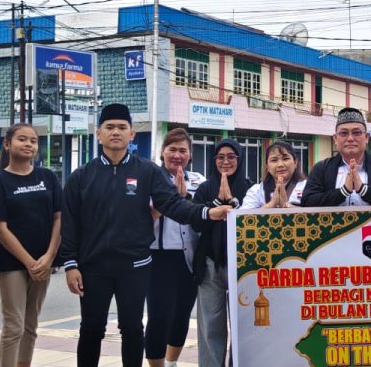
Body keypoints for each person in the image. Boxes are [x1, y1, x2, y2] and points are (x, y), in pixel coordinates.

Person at [60, 103, 231, 367]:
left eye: (122, 127)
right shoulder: (81, 176)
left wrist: (208, 213)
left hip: (135, 265)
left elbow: (172, 204)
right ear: (98, 134)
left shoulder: (146, 171)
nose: (115, 132)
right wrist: (71, 264)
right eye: (109, 127)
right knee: (91, 328)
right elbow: (70, 223)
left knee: (132, 328)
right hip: (93, 267)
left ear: (131, 134)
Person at [0, 123, 62, 367]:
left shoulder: (47, 177)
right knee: (14, 326)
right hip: (11, 263)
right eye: (22, 139)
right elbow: (0, 228)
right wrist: (29, 262)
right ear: (7, 144)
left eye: (33, 140)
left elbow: (59, 217)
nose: (28, 144)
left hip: (44, 261)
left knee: (31, 326)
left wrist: (49, 257)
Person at [146, 128, 206, 367]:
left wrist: (186, 199)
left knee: (182, 314)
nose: (177, 155)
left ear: (190, 154)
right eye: (172, 149)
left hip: (189, 256)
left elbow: (204, 213)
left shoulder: (198, 180)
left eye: (183, 150)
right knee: (159, 316)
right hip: (159, 256)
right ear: (163, 152)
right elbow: (141, 218)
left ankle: (172, 363)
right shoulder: (150, 178)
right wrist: (171, 200)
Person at [192, 138, 253, 366]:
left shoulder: (250, 189)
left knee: (243, 325)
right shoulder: (204, 188)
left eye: (231, 157)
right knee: (210, 326)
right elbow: (195, 222)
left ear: (240, 159)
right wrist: (217, 202)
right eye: (220, 157)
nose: (225, 162)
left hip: (242, 266)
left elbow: (252, 222)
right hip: (210, 264)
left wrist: (233, 203)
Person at [302, 107, 371, 207]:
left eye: (356, 133)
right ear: (335, 139)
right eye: (344, 133)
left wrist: (364, 190)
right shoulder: (321, 169)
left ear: (366, 137)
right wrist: (343, 191)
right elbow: (307, 201)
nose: (350, 138)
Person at [242, 141, 308, 209]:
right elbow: (243, 215)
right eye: (274, 160)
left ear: (295, 162)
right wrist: (272, 204)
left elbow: (314, 213)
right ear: (267, 166)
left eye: (285, 159)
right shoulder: (257, 191)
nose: (280, 165)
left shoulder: (308, 187)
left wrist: (286, 206)